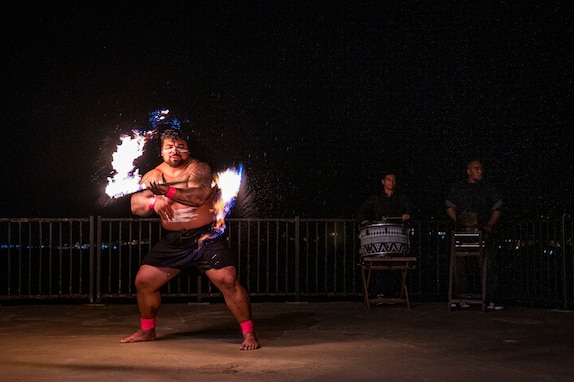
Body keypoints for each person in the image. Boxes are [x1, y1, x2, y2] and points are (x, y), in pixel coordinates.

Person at [120, 128, 260, 350]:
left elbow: (199, 196)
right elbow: (136, 205)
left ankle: (248, 333)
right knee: (144, 281)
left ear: (188, 150)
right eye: (169, 147)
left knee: (227, 280)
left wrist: (167, 192)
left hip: (204, 237)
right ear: (162, 152)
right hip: (173, 241)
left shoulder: (199, 169)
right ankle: (147, 330)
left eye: (180, 146)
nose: (175, 150)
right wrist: (153, 203)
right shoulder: (153, 174)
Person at [445, 159, 503, 310]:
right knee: (461, 265)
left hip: (482, 232)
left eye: (481, 169)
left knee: (487, 264)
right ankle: (462, 297)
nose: (480, 171)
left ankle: (490, 299)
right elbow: (450, 207)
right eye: (476, 169)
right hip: (463, 233)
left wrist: (489, 225)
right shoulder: (459, 188)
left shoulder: (487, 188)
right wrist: (460, 222)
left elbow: (497, 207)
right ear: (468, 171)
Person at [358, 172, 411, 299]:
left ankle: (394, 294)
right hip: (379, 239)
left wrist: (407, 215)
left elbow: (410, 211)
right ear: (383, 181)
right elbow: (362, 210)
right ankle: (379, 293)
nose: (391, 182)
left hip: (396, 238)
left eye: (393, 180)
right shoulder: (376, 198)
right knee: (379, 265)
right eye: (388, 179)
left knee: (395, 266)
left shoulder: (401, 198)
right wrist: (365, 221)